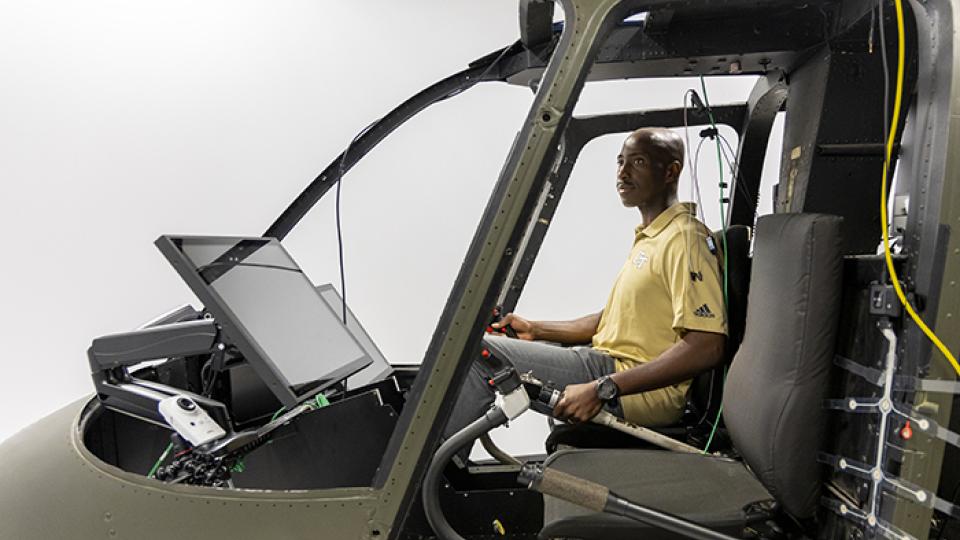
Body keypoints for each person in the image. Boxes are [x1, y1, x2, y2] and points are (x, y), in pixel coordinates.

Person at [443, 127, 727, 445]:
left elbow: (707, 344)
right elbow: (615, 318)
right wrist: (536, 329)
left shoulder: (683, 239)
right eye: (620, 162)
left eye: (639, 162)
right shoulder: (653, 237)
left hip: (631, 385)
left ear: (671, 171)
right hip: (606, 363)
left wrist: (604, 387)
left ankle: (427, 477)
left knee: (475, 354)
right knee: (483, 353)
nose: (623, 172)